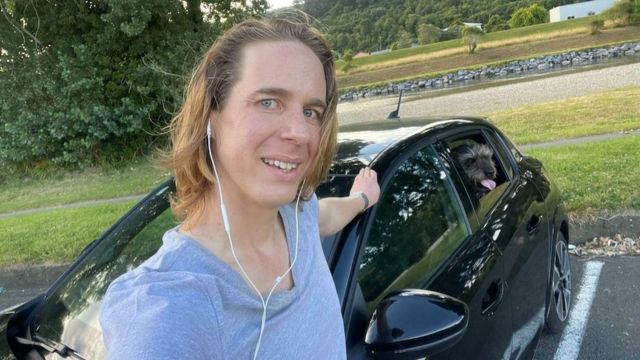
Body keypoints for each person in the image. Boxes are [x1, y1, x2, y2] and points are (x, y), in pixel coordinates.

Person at [99, 17, 380, 360]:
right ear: (210, 117)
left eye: (311, 111)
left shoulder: (296, 214)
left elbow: (327, 215)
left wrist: (362, 198)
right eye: (268, 102)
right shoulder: (169, 310)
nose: (301, 133)